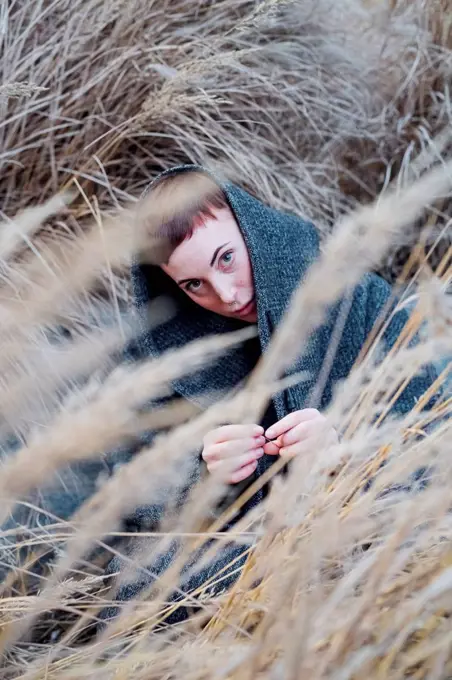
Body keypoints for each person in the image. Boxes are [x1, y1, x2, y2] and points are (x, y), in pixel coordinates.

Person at [99, 164, 440, 624]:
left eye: (225, 258)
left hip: (362, 525)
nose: (225, 292)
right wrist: (206, 471)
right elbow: (135, 498)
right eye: (193, 284)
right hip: (244, 546)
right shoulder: (167, 357)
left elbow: (433, 435)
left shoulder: (359, 300)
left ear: (252, 230)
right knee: (135, 592)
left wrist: (343, 450)